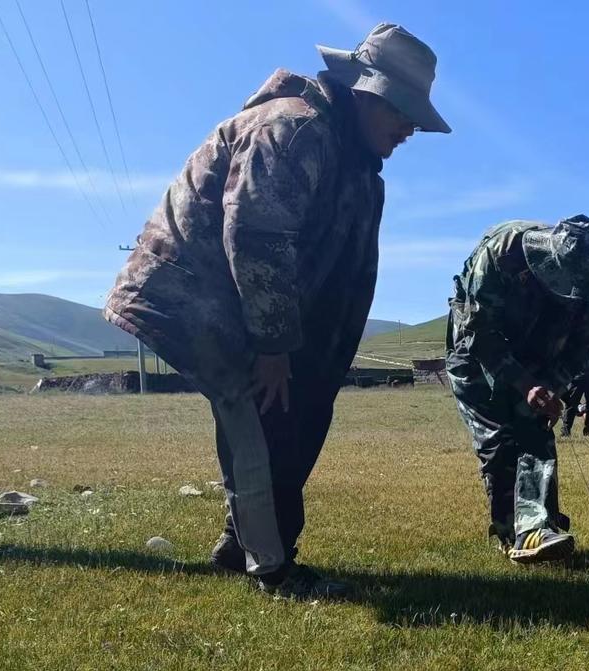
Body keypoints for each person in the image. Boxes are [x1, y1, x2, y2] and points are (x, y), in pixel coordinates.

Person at [105, 24, 449, 597]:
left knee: (294, 416)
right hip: (197, 296)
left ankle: (242, 545)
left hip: (247, 308)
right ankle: (272, 567)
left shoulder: (353, 160)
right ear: (367, 92)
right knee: (260, 419)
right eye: (402, 113)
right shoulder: (292, 129)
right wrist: (273, 345)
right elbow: (258, 237)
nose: (409, 130)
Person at [445, 215, 589, 562]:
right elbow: (479, 331)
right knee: (499, 443)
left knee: (535, 434)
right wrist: (524, 384)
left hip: (539, 357)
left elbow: (580, 348)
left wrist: (552, 388)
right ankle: (513, 532)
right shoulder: (502, 252)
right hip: (477, 354)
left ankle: (540, 528)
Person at [558, 358, 589, 437]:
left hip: (580, 372)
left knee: (573, 401)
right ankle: (586, 429)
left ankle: (567, 430)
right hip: (588, 372)